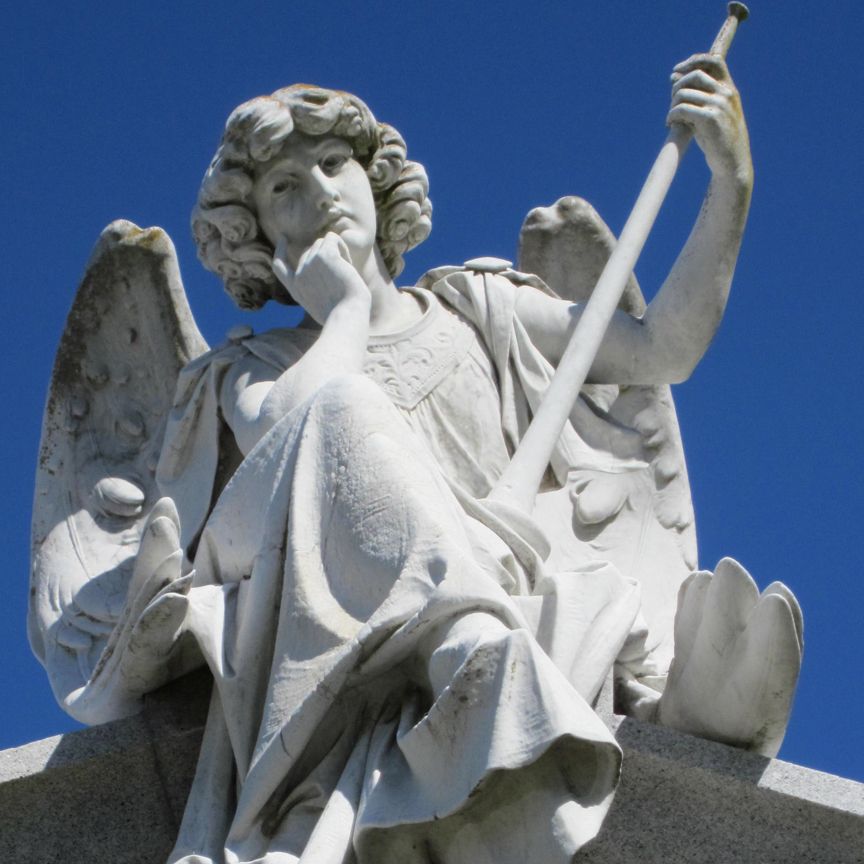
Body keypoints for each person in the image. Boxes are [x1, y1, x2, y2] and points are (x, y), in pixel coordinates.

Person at [155, 55, 752, 863]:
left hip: (507, 602)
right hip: (338, 652)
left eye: (334, 164)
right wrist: (346, 315)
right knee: (342, 406)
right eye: (284, 187)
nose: (320, 190)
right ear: (258, 235)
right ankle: (466, 640)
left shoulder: (478, 309)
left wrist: (730, 183)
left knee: (590, 592)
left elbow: (665, 347)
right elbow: (292, 440)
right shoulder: (249, 371)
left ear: (376, 180)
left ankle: (666, 687)